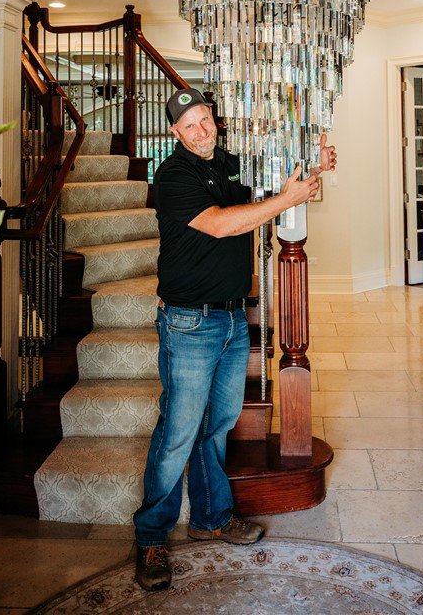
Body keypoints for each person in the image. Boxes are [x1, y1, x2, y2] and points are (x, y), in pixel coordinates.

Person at [134, 87, 337, 591]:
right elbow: (222, 226)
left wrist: (315, 166)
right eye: (190, 125)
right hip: (187, 322)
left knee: (218, 423)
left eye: (206, 120)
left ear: (214, 121)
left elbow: (276, 175)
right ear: (175, 133)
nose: (201, 131)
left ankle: (210, 518)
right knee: (178, 430)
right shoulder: (173, 175)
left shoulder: (228, 163)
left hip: (230, 319)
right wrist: (284, 200)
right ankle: (151, 538)